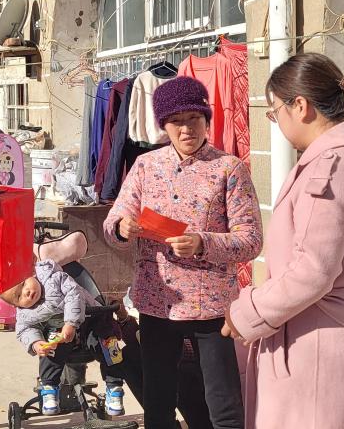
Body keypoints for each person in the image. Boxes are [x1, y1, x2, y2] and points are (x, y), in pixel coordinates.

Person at [223, 53, 344, 428]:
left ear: (300, 106)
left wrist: (247, 312)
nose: (277, 123)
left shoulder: (331, 169)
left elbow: (313, 271)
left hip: (321, 357)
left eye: (275, 112)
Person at [103, 75, 262, 429]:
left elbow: (251, 240)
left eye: (194, 118)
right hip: (157, 302)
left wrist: (203, 242)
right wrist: (122, 227)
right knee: (158, 402)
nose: (187, 128)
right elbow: (113, 221)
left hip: (211, 307)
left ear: (206, 120)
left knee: (223, 403)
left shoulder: (229, 169)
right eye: (176, 121)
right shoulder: (146, 166)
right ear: (164, 125)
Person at [1, 260, 141, 417]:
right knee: (50, 346)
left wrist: (70, 323)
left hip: (90, 320)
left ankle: (114, 386)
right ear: (16, 305)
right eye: (19, 296)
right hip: (61, 335)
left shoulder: (55, 278)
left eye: (24, 284)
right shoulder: (25, 313)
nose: (26, 292)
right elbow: (24, 329)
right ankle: (49, 387)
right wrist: (35, 343)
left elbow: (75, 294)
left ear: (31, 274)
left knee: (108, 343)